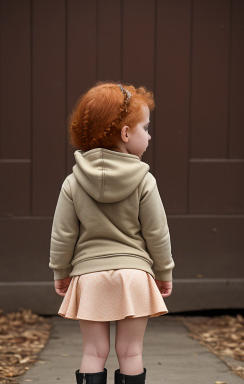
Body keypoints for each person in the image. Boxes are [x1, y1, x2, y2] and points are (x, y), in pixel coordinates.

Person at [49, 82, 175, 384]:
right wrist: (164, 272)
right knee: (131, 352)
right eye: (145, 127)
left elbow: (63, 234)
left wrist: (61, 271)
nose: (149, 135)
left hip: (89, 276)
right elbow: (157, 233)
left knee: (93, 351)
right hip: (134, 274)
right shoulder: (145, 181)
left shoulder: (73, 182)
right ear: (126, 134)